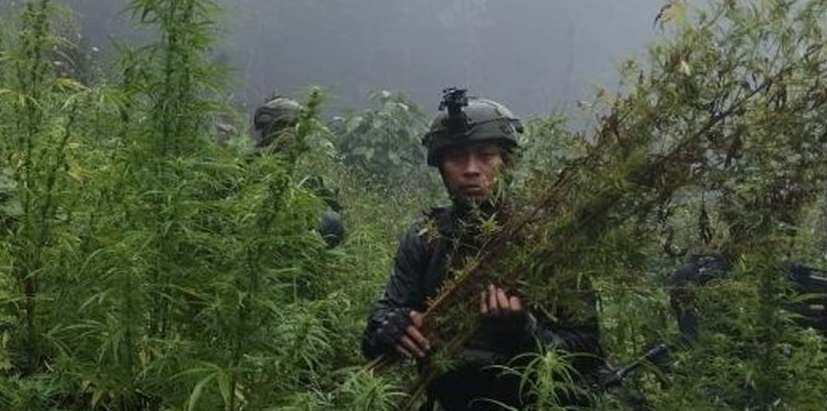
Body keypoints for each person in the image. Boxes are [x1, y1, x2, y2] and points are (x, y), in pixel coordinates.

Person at [362, 88, 603, 410]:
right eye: (457, 157)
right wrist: (391, 326)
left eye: (486, 155)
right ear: (441, 167)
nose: (471, 169)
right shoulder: (425, 237)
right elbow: (380, 326)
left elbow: (587, 349)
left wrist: (526, 334)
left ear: (508, 164)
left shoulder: (546, 238)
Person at [252, 96, 345, 247]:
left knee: (331, 221)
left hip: (295, 246)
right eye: (282, 127)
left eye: (291, 127)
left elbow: (331, 210)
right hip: (258, 242)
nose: (288, 134)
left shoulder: (305, 174)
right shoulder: (250, 164)